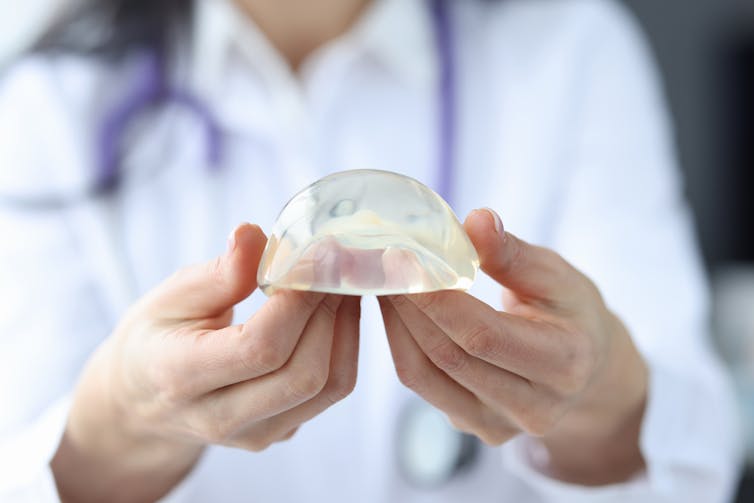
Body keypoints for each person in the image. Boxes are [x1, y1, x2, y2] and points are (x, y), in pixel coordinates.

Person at [0, 0, 741, 501]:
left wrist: (601, 403)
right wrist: (118, 425)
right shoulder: (46, 98)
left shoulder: (569, 45)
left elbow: (700, 454)